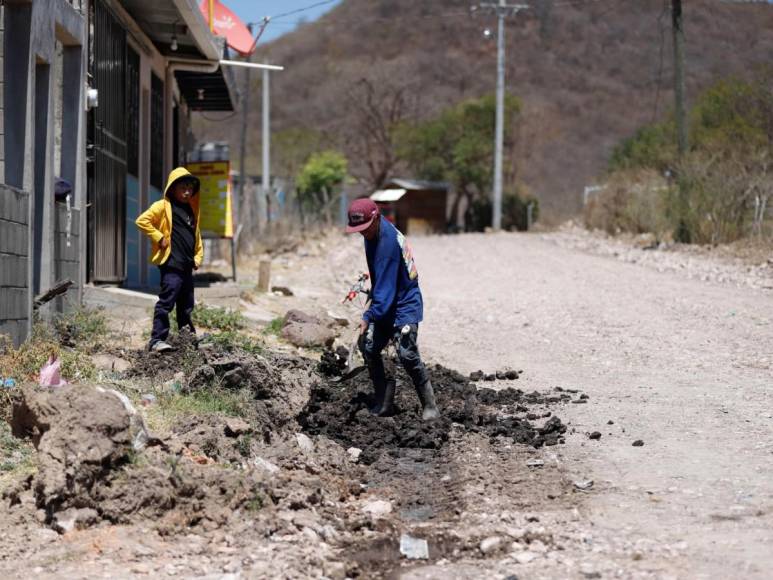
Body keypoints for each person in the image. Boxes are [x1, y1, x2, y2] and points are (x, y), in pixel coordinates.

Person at [345, 198, 440, 421]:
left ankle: (430, 405)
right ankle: (384, 400)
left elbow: (386, 292)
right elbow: (381, 280)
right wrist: (372, 298)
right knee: (369, 346)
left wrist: (368, 316)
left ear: (376, 217)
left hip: (404, 302)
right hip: (385, 297)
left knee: (406, 353)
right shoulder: (372, 234)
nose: (362, 233)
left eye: (365, 228)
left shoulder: (386, 243)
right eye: (358, 230)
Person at [136, 167, 203, 352]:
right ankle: (157, 340)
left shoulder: (191, 210)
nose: (187, 192)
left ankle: (187, 339)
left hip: (187, 266)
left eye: (190, 188)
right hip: (171, 264)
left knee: (186, 306)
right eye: (183, 188)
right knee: (166, 302)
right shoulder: (162, 206)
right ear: (173, 188)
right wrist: (159, 237)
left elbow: (196, 236)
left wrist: (198, 257)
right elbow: (142, 221)